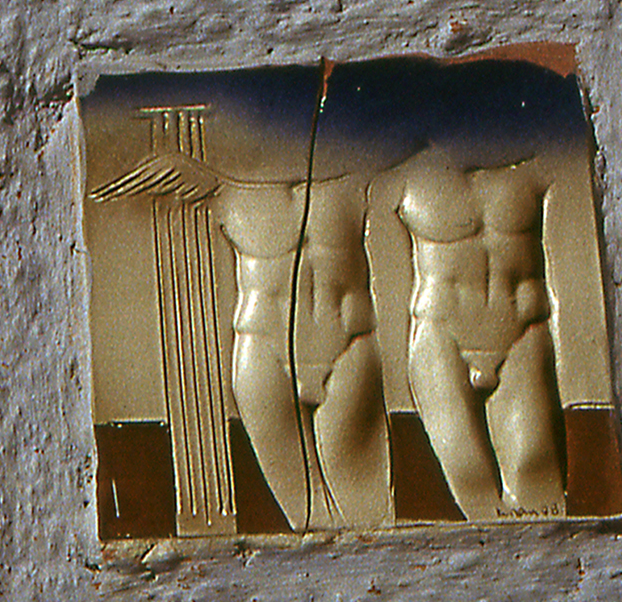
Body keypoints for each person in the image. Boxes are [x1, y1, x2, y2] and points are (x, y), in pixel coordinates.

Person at [91, 146, 391, 529]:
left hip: (348, 345)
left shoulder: (355, 184)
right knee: (305, 513)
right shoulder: (225, 193)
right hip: (263, 350)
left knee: (367, 509)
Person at [386, 150, 567, 519]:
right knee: (469, 481)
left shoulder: (541, 157)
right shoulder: (395, 173)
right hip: (442, 335)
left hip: (522, 331)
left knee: (536, 473)